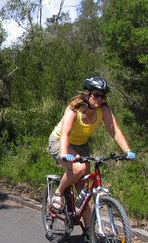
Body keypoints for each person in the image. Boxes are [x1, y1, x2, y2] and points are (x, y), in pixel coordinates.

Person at [47, 76, 136, 225]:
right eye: (96, 95)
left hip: (81, 145)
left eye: (103, 95)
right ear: (87, 94)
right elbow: (65, 134)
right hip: (60, 141)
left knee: (85, 189)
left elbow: (114, 130)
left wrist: (127, 150)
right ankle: (58, 193)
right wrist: (64, 154)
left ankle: (89, 232)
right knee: (78, 168)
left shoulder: (104, 109)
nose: (100, 99)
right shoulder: (74, 109)